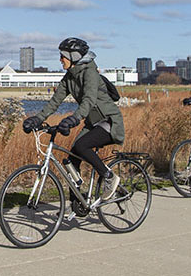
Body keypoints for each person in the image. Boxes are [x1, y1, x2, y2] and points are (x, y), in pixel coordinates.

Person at [22, 37, 125, 216]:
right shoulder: (69, 77)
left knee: (81, 146)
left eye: (63, 56)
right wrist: (37, 119)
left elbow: (89, 100)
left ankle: (109, 177)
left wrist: (74, 118)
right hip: (93, 123)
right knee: (71, 159)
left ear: (73, 56)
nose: (60, 60)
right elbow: (54, 102)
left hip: (109, 121)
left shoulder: (90, 73)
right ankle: (78, 202)